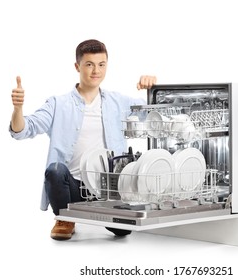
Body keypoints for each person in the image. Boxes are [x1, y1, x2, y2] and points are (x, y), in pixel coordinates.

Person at [10, 39, 156, 240]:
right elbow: (23, 130)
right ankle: (65, 218)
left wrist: (152, 88)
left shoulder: (118, 102)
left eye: (101, 64)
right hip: (71, 187)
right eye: (89, 64)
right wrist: (18, 109)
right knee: (54, 170)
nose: (96, 70)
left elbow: (153, 113)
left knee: (123, 232)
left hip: (108, 188)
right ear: (77, 66)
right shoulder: (57, 104)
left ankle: (108, 214)